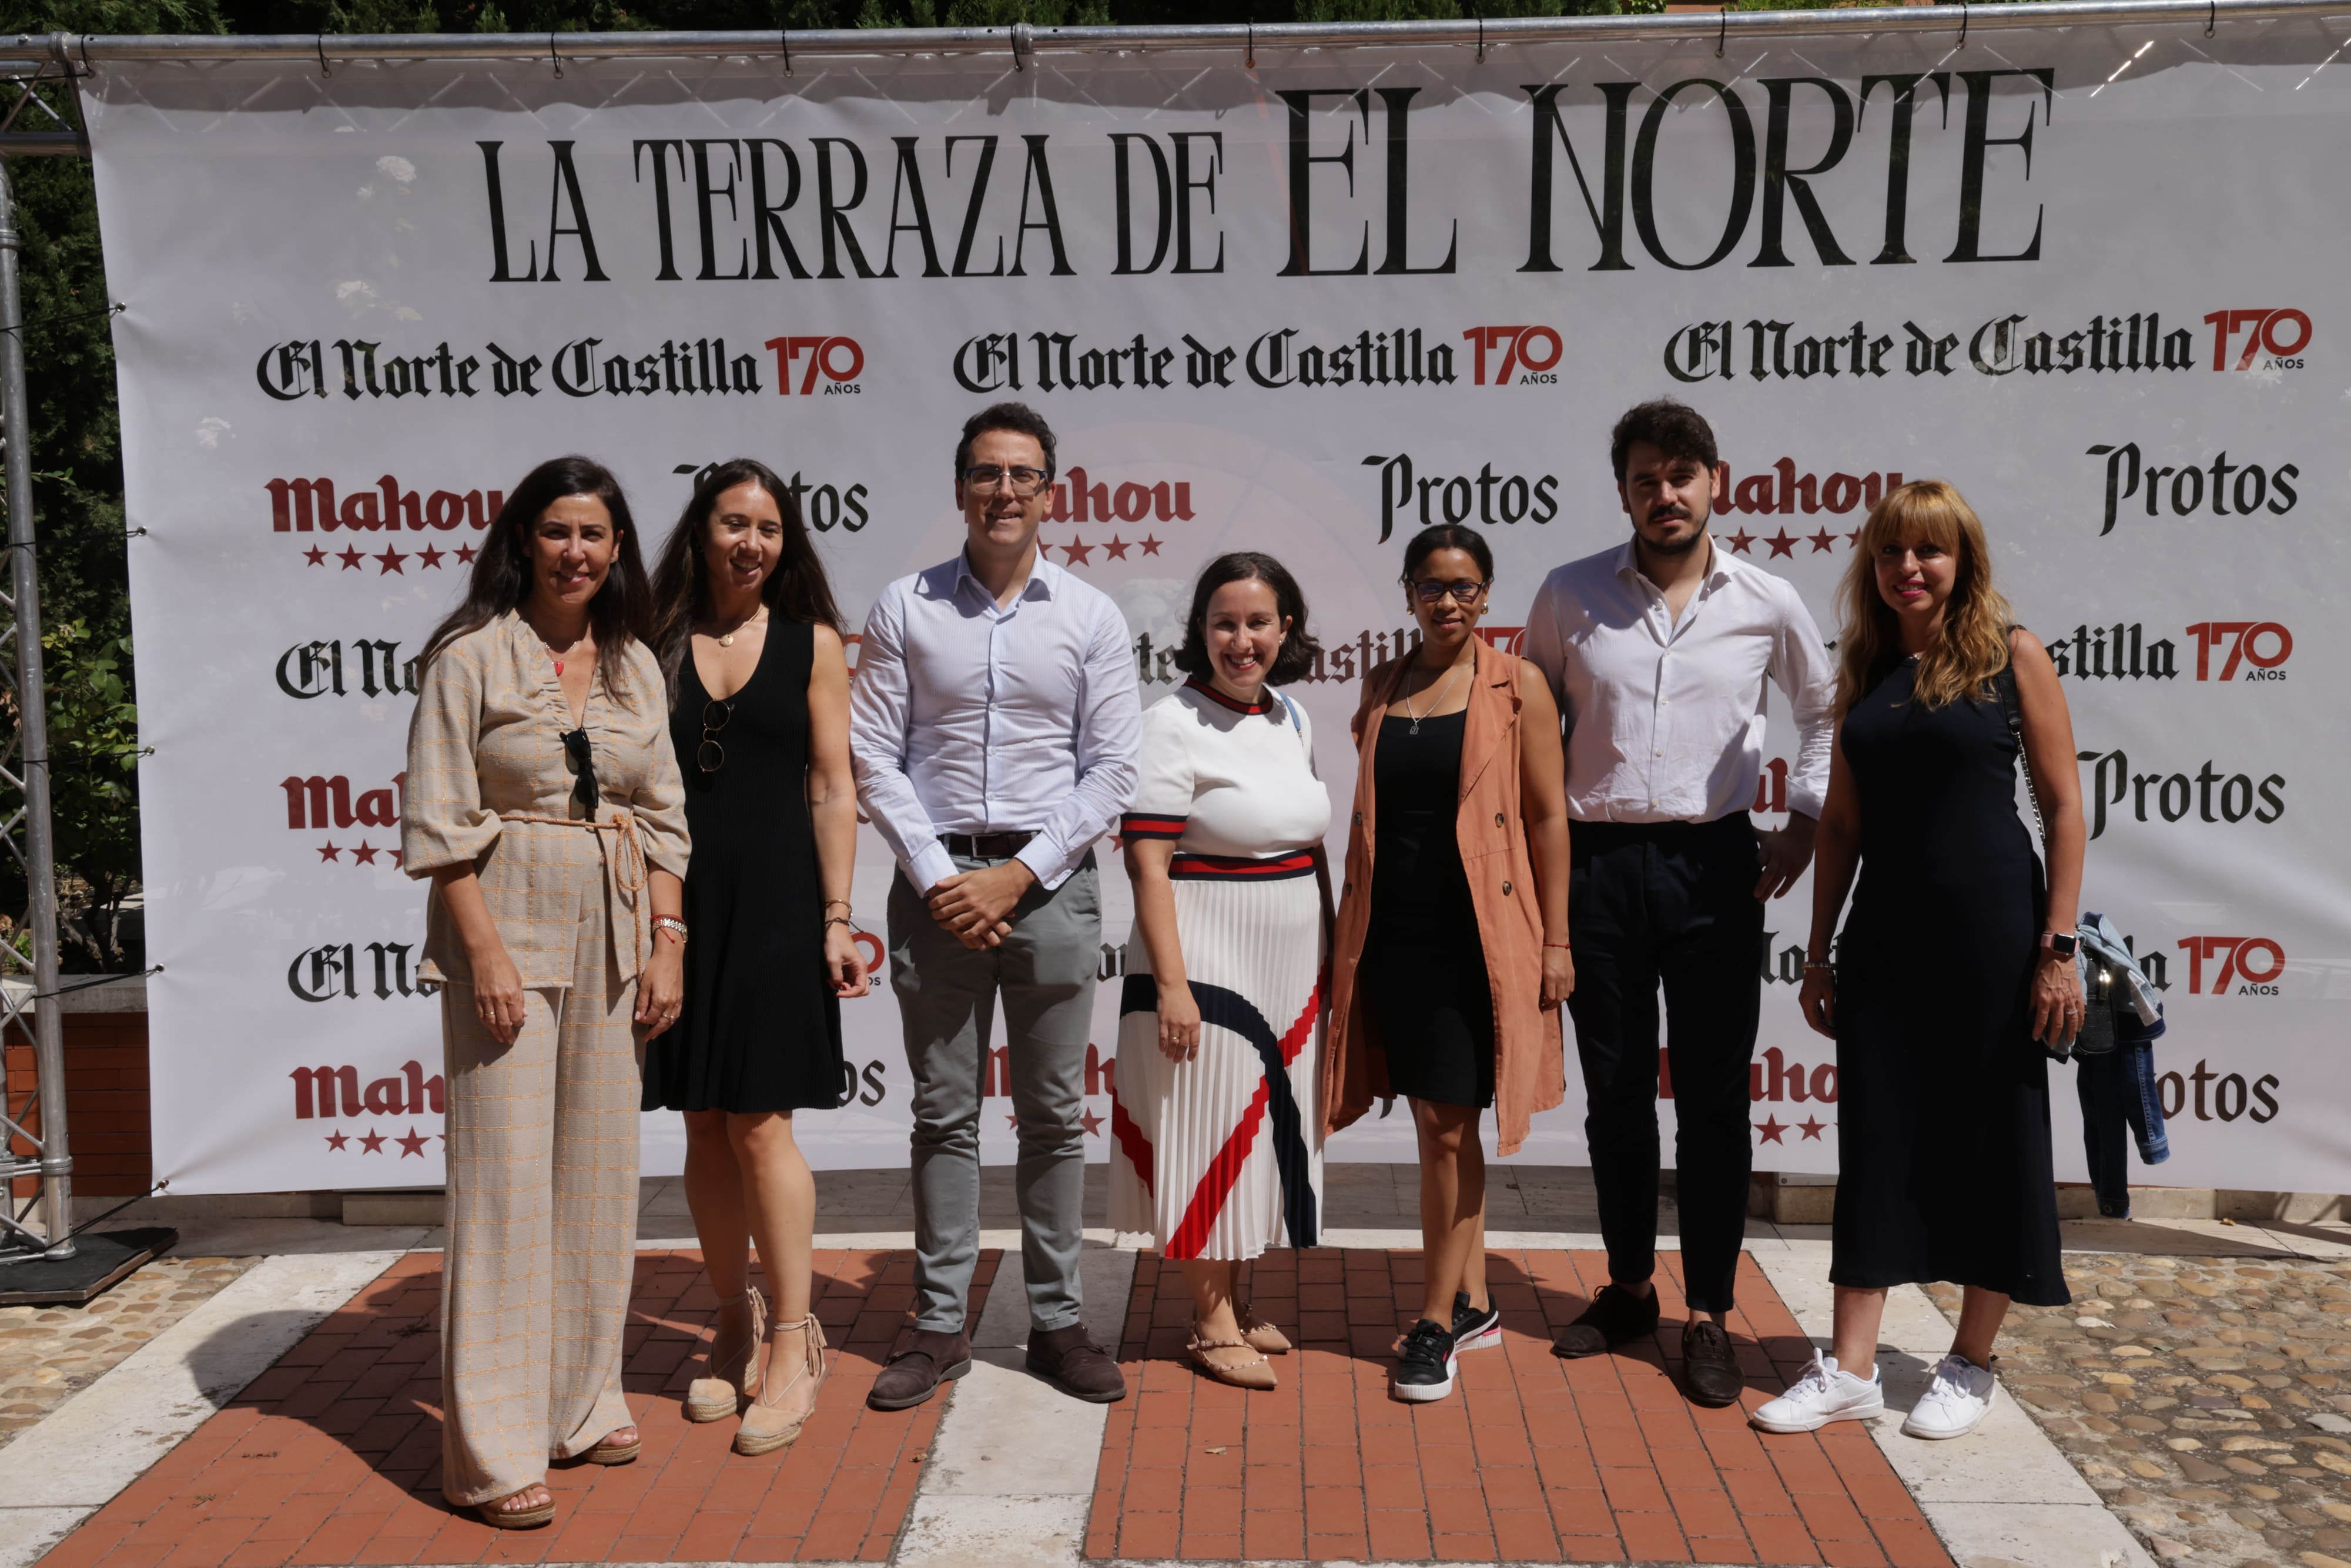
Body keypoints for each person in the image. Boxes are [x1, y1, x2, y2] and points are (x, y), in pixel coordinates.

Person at [1753, 480, 2084, 1440]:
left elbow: (2065, 809)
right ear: (1874, 565)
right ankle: (1852, 1368)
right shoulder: (1860, 670)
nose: (1910, 568)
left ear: (1962, 561)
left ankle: (1971, 1361)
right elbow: (1844, 826)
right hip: (1888, 940)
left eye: (1930, 552)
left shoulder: (2011, 655)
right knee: (1877, 1142)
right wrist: (1818, 954)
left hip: (1997, 937)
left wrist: (2056, 949)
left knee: (1994, 1139)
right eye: (1894, 552)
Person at [1522, 399, 1835, 1409]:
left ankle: (1707, 1311)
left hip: (1714, 870)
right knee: (1615, 1099)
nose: (1666, 494)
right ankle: (1625, 1290)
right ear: (1623, 491)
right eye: (1646, 478)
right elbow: (1527, 726)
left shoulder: (1766, 599)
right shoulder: (1570, 595)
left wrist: (1808, 820)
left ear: (1717, 482)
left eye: (1682, 475)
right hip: (1598, 869)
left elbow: (1824, 710)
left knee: (1711, 1101)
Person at [402, 456, 690, 1529]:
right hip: (506, 932)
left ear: (619, 552)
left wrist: (667, 940)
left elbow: (663, 817)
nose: (578, 552)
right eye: (560, 531)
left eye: (598, 535)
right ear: (524, 539)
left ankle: (579, 1403)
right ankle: (490, 1451)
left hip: (616, 935)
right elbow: (439, 824)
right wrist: (483, 956)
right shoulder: (468, 659)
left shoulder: (633, 668)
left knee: (599, 1182)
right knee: (504, 1190)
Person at [848, 403, 1142, 1410]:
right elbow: (874, 759)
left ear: (1051, 493)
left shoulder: (1092, 616)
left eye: (1022, 474)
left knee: (1056, 1117)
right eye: (986, 472)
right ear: (961, 487)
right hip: (937, 890)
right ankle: (940, 1323)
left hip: (1050, 889)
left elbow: (1112, 772)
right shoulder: (904, 608)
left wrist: (1015, 878)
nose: (1004, 490)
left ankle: (1057, 1320)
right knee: (944, 1114)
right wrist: (942, 878)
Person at [641, 459, 870, 1456]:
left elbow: (833, 786)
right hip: (680, 911)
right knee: (701, 1124)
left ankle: (791, 1339)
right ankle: (728, 1321)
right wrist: (657, 926)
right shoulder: (648, 646)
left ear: (788, 543)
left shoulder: (815, 643)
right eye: (735, 523)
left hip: (780, 905)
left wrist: (836, 915)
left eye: (770, 528)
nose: (752, 542)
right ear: (701, 532)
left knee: (763, 1129)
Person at [1324, 524, 1573, 1404]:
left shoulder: (1520, 688)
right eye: (1432, 587)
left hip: (1481, 940)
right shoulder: (1383, 685)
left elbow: (1549, 820)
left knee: (1444, 1129)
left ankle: (1433, 1322)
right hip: (1394, 937)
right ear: (1408, 595)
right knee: (1446, 1125)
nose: (1449, 602)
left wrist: (1555, 943)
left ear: (1488, 596)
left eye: (1465, 587)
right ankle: (1470, 1298)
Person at [1110, 552, 1332, 1391]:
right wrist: (1171, 984)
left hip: (1288, 956)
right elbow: (1148, 861)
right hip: (1207, 954)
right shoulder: (1171, 721)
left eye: (1259, 623)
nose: (1243, 641)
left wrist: (1332, 959)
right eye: (1225, 624)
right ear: (1200, 631)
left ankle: (1234, 1303)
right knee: (1208, 1125)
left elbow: (1310, 847)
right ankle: (1207, 1323)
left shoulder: (1293, 717)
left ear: (1287, 630)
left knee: (1261, 1131)